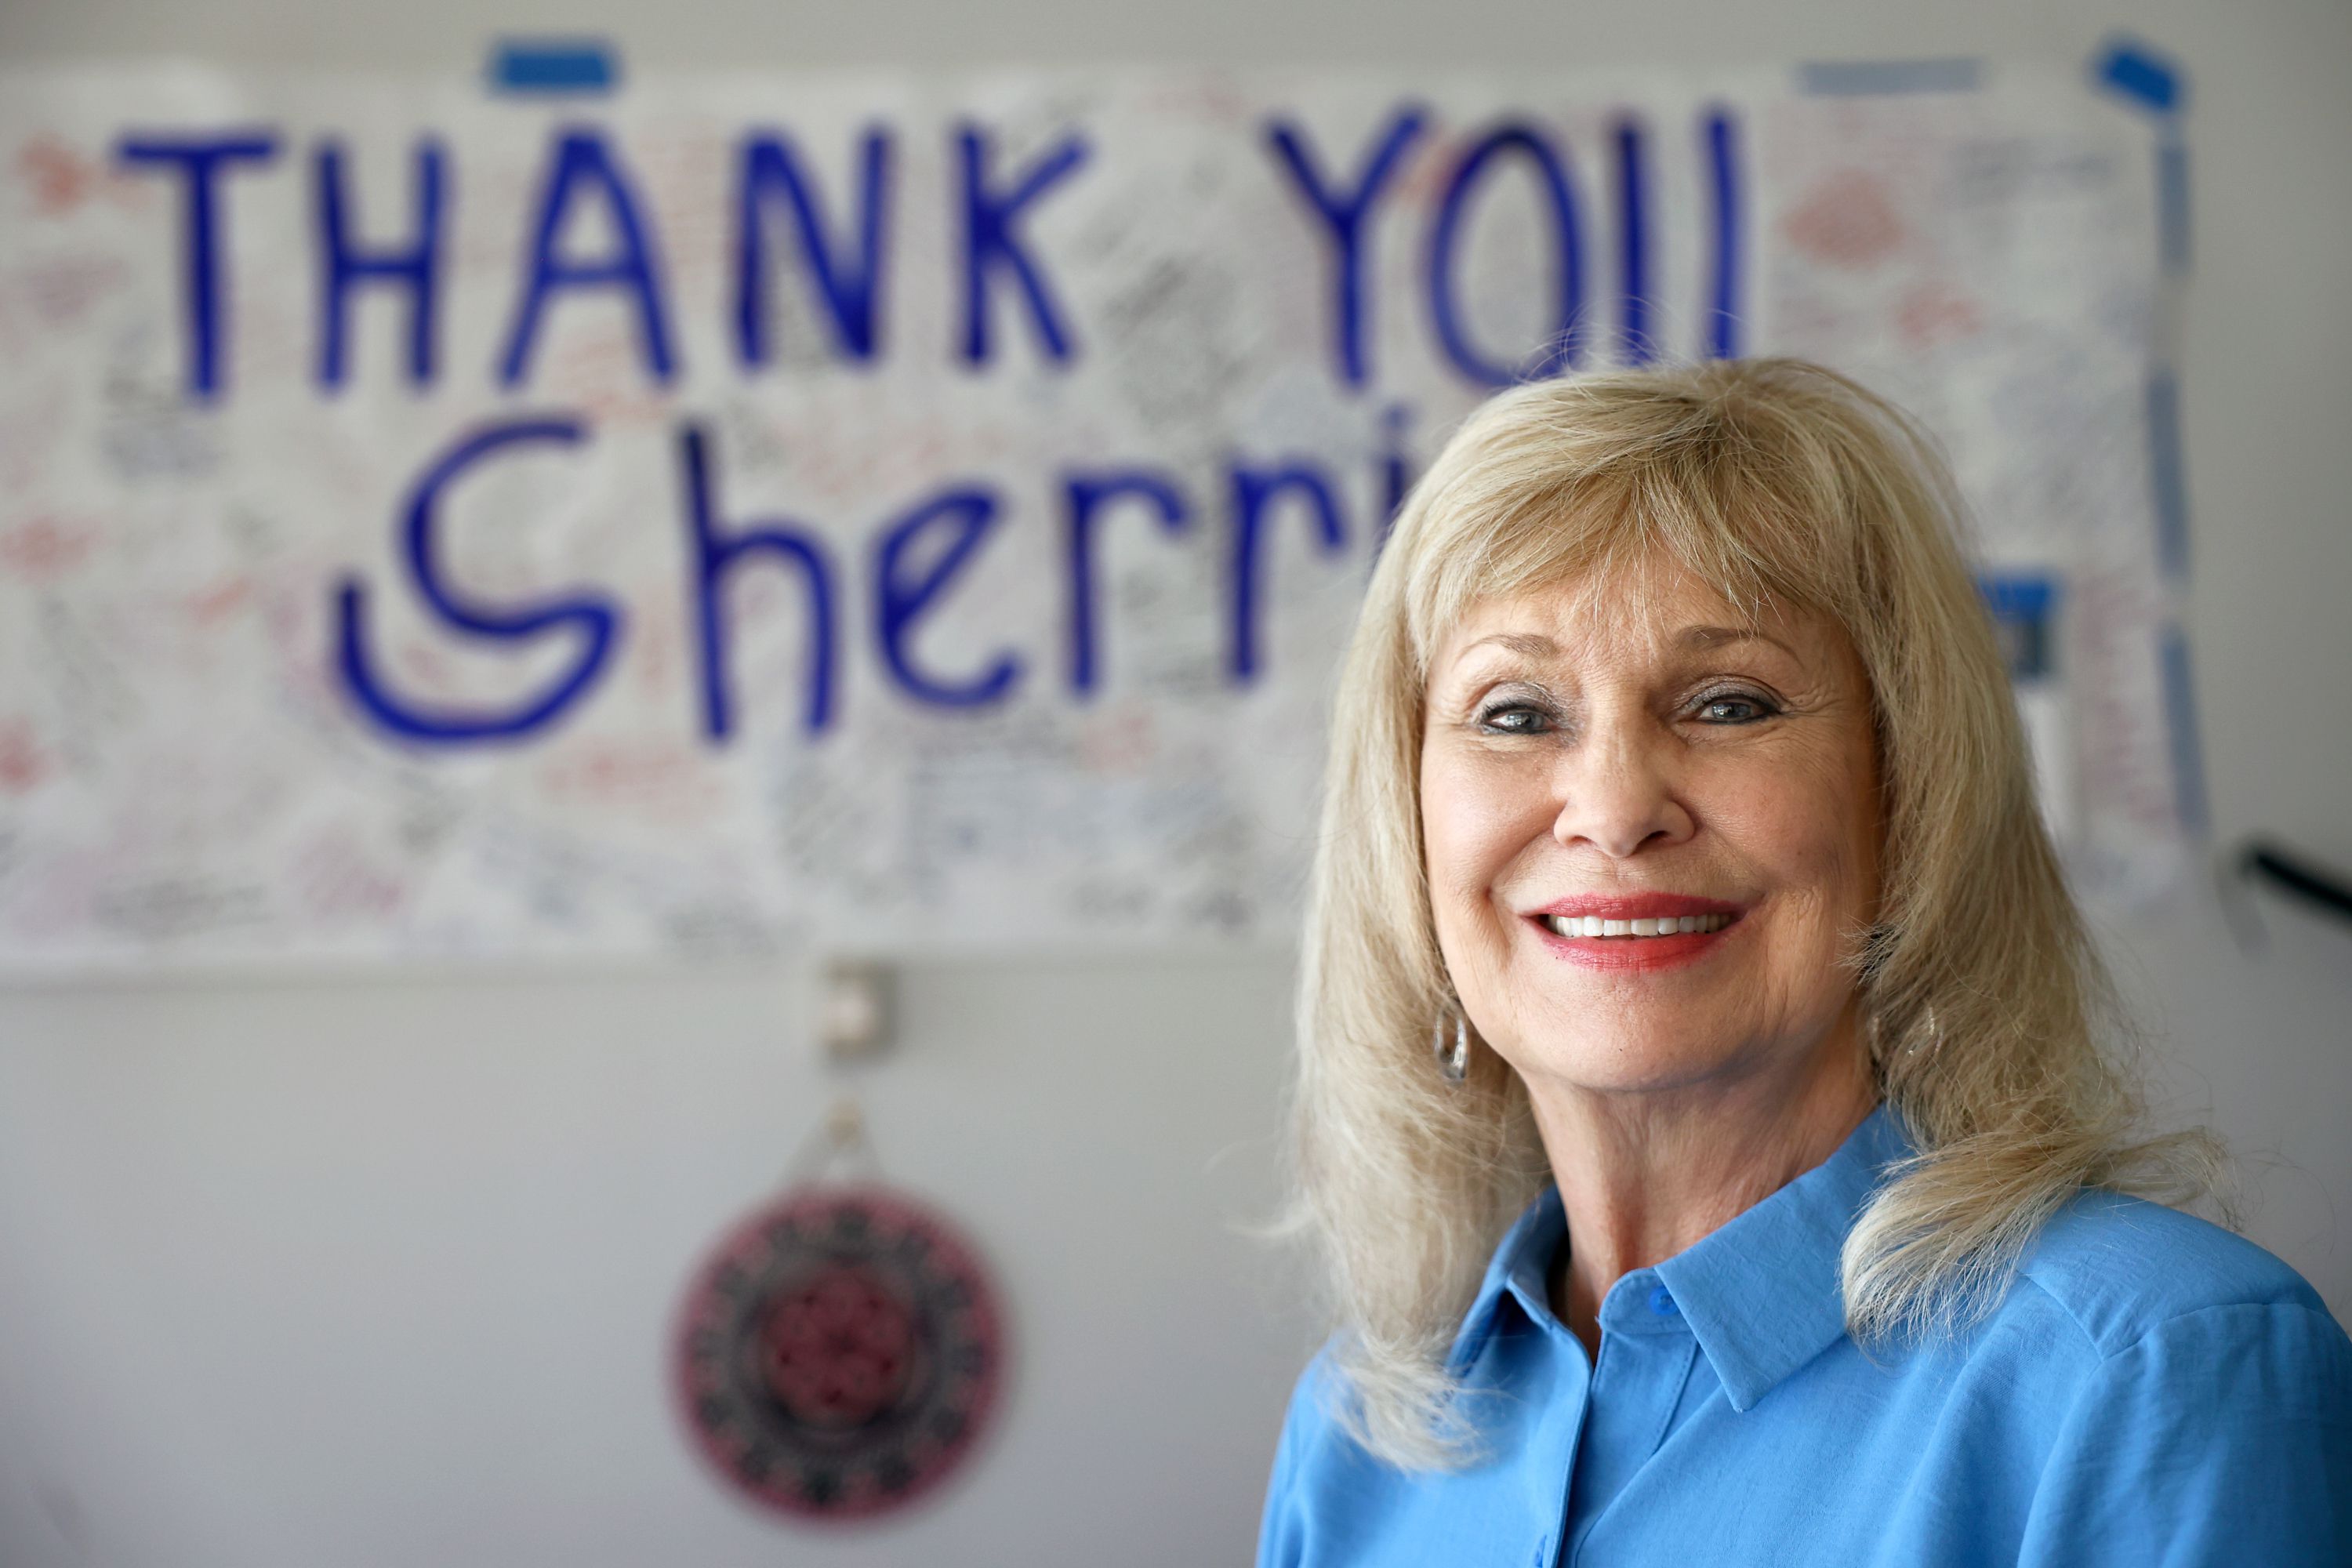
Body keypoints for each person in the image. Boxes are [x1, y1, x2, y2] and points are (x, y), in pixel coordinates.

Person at [1258, 358, 2351, 1566]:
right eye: (1516, 712)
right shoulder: (1361, 1433)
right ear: (1404, 824)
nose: (1616, 809)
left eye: (1730, 703)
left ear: (1908, 796)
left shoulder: (2155, 1368)